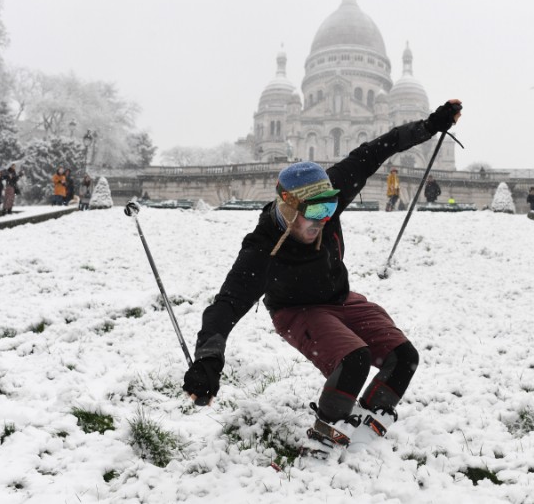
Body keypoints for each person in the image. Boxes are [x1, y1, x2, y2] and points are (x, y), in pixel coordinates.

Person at [182, 99, 462, 455]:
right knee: (355, 360)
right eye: (314, 211)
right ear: (287, 207)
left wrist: (429, 126)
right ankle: (326, 438)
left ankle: (366, 429)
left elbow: (376, 150)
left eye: (330, 207)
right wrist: (208, 360)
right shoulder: (263, 246)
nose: (323, 219)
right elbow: (227, 304)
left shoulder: (327, 202)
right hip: (297, 312)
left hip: (341, 299)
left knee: (404, 356)